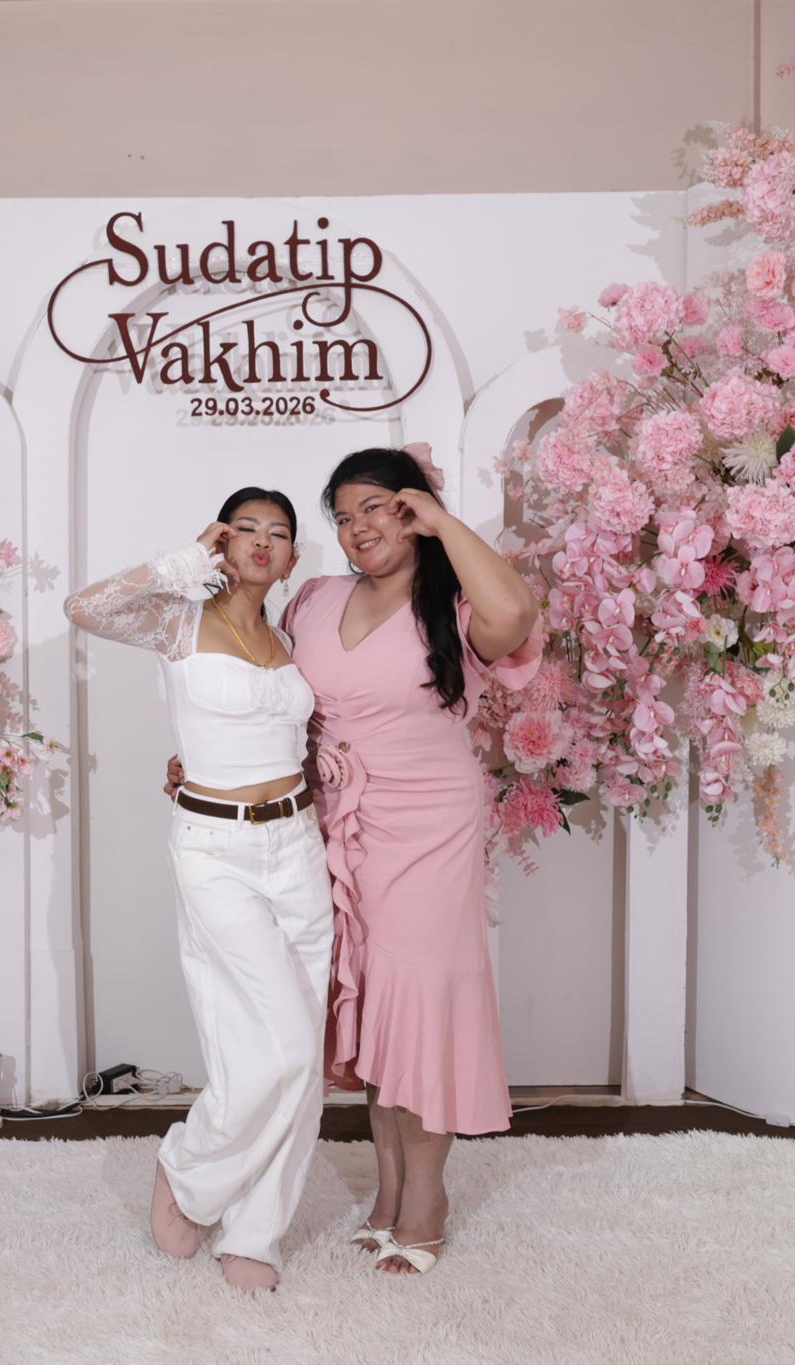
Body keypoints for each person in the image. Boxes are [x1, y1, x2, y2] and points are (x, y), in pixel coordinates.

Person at [167, 447, 540, 1276]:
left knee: (418, 1004)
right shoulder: (315, 598)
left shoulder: (454, 602)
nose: (357, 526)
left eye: (375, 507)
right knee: (371, 1008)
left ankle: (426, 1199)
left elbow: (515, 612)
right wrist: (208, 762)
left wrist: (441, 521)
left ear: (413, 509)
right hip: (331, 826)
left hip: (427, 828)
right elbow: (271, 697)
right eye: (342, 515)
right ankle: (388, 1191)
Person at [62, 488, 331, 1294]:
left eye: (277, 533)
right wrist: (182, 561)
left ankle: (257, 1230)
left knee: (298, 1050)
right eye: (244, 528)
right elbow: (84, 607)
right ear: (219, 540)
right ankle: (187, 1170)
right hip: (216, 847)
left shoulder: (290, 638)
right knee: (282, 1044)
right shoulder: (177, 620)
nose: (261, 541)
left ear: (291, 558)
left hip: (298, 844)